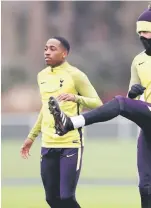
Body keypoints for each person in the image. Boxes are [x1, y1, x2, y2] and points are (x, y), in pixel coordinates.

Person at [48, 2, 151, 208]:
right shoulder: (138, 61)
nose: (141, 36)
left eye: (145, 31)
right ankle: (70, 123)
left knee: (119, 102)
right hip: (150, 126)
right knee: (145, 189)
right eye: (139, 31)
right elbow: (131, 104)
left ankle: (71, 123)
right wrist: (132, 94)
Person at [20, 36, 102, 208]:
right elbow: (44, 109)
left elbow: (97, 103)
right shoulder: (41, 76)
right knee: (51, 198)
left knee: (66, 198)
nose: (47, 52)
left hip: (70, 144)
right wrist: (31, 137)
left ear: (64, 53)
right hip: (48, 144)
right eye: (45, 49)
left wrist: (75, 97)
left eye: (52, 49)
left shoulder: (76, 75)